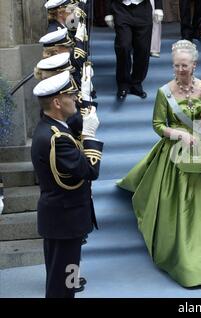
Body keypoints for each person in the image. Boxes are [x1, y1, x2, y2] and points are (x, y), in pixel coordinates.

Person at [117, 40, 201, 288]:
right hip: (174, 156)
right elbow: (158, 125)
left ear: (194, 65)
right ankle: (181, 258)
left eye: (184, 65)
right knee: (179, 211)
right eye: (176, 65)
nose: (180, 69)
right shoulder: (164, 92)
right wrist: (178, 134)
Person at [31, 71, 103, 298]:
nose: (75, 99)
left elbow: (72, 123)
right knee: (62, 286)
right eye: (70, 96)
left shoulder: (51, 126)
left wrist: (86, 104)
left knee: (64, 282)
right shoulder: (57, 137)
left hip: (60, 218)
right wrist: (90, 135)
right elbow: (90, 171)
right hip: (65, 219)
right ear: (56, 102)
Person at [104, 0, 163, 100]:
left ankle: (136, 83)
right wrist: (108, 12)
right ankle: (123, 84)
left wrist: (158, 7)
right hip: (120, 8)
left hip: (143, 9)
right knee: (123, 46)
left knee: (143, 48)